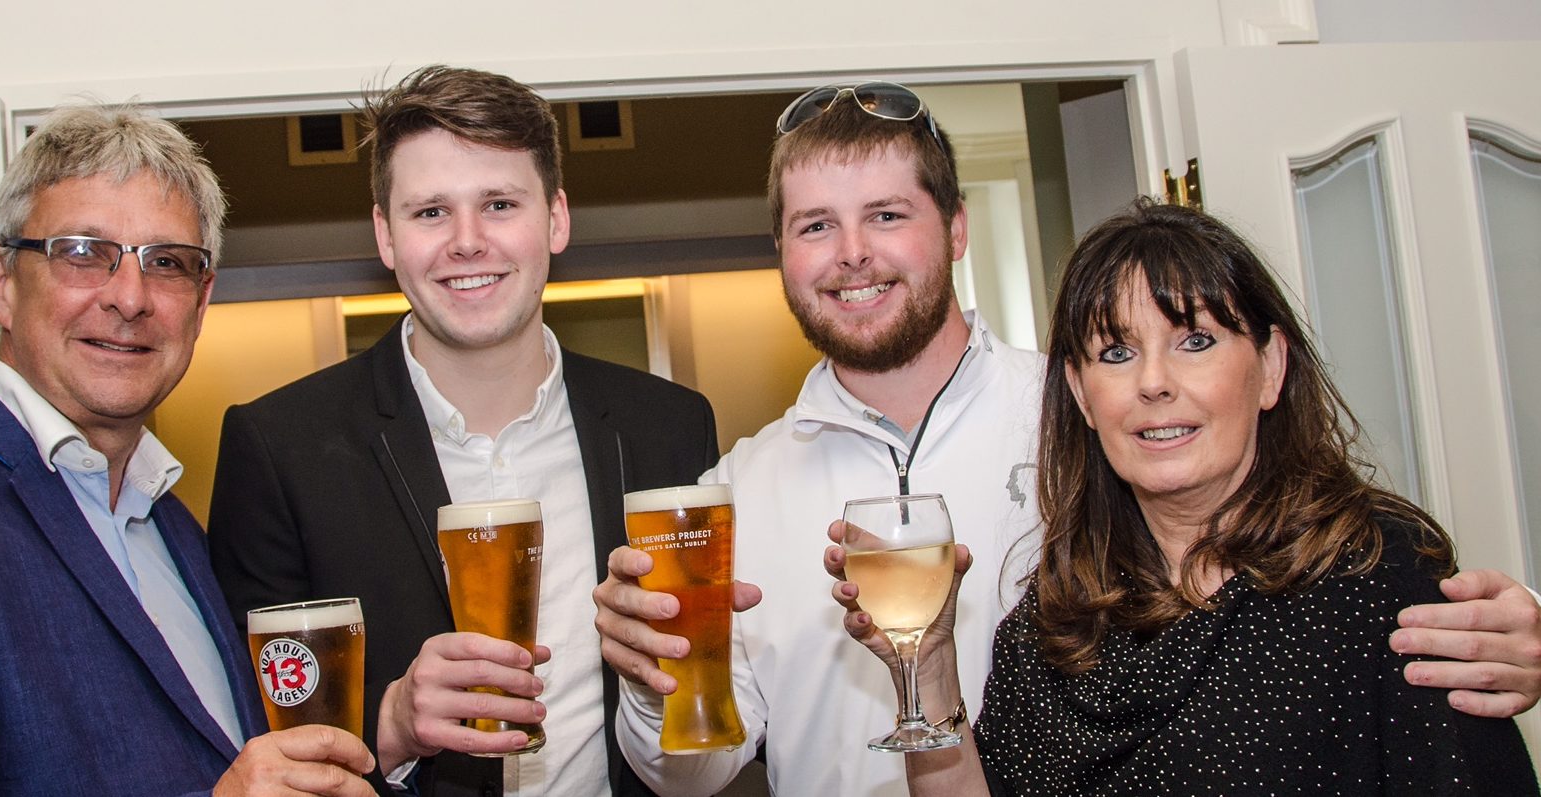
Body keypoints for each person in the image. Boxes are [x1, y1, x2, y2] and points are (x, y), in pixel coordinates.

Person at [592, 81, 1541, 796]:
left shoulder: (1100, 411)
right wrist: (652, 681)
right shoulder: (734, 491)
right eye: (815, 226)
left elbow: (1331, 559)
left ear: (955, 230)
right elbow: (695, 773)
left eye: (887, 214)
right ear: (782, 254)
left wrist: (1520, 622)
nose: (852, 254)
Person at [831, 197, 1539, 794]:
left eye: (1194, 340)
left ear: (1268, 368)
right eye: (1115, 352)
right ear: (1079, 393)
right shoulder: (1049, 626)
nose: (1152, 382)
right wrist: (928, 665)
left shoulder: (1374, 580)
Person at [0, 103, 374, 796]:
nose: (130, 296)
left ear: (201, 300)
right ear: (0, 282)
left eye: (167, 261)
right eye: (82, 252)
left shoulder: (172, 525)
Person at [206, 65, 719, 797]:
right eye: (430, 212)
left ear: (557, 218)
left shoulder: (669, 425)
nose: (467, 242)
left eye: (500, 203)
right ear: (386, 234)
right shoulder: (278, 446)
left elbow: (698, 715)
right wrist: (390, 721)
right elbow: (238, 734)